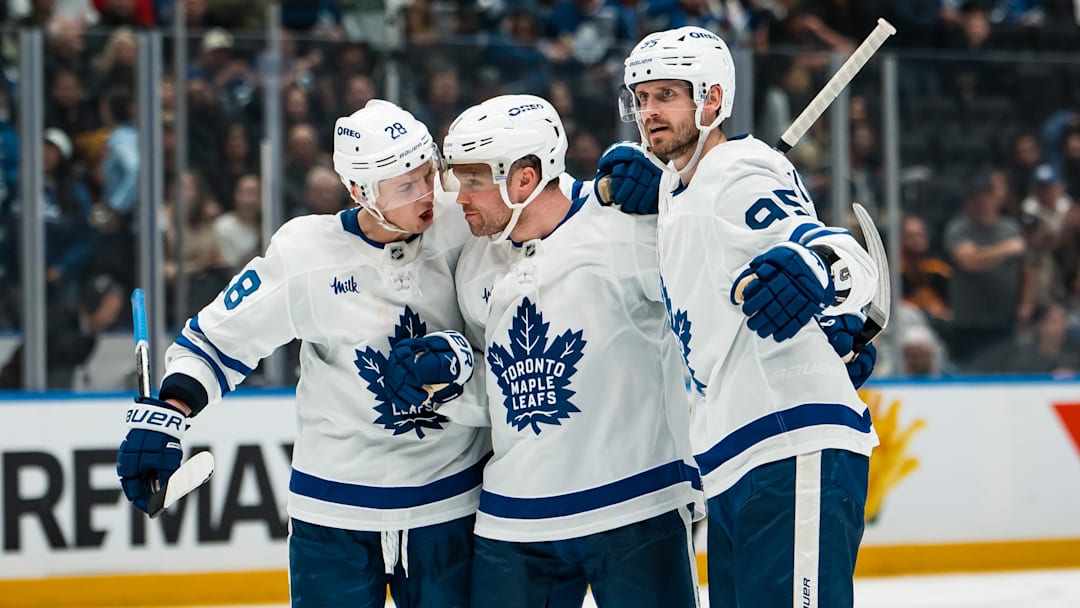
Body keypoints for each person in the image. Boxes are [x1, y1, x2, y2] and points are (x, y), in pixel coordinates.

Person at [116, 100, 490, 608]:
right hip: (333, 516)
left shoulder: (464, 222)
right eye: (405, 185)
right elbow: (216, 341)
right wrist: (167, 415)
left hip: (449, 505)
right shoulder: (307, 254)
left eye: (427, 173)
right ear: (360, 191)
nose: (426, 193)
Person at [618, 26, 880, 607]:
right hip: (735, 456)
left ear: (712, 100)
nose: (648, 112)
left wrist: (818, 272)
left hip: (788, 441)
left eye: (666, 95)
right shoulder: (677, 194)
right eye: (641, 98)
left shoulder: (736, 171)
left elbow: (843, 256)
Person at [428, 94, 701, 607]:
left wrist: (679, 190)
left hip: (636, 506)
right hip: (516, 521)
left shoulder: (629, 228)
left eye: (473, 181)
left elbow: (717, 299)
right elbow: (496, 389)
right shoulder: (475, 265)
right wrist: (445, 383)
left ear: (525, 179)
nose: (457, 197)